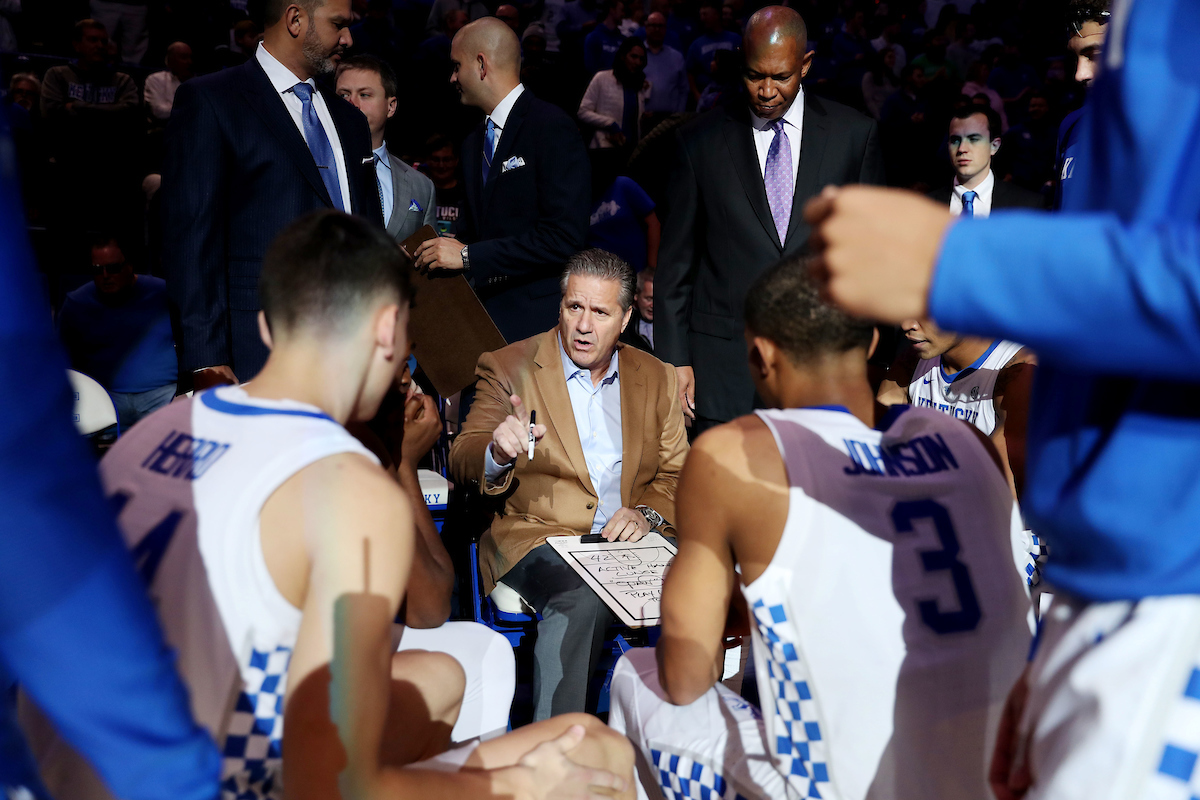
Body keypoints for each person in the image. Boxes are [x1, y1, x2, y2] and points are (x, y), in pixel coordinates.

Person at [36, 211, 636, 800]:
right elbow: (333, 784)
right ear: (390, 335)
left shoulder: (152, 431)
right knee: (590, 748)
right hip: (221, 773)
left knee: (441, 675)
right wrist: (516, 784)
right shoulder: (347, 486)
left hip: (89, 756)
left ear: (268, 327)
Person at [804, 2, 1200, 797]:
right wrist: (1057, 644)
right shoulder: (1094, 106)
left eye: (1101, 52)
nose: (1084, 73)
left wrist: (957, 264)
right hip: (1095, 591)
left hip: (1170, 587)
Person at [609, 257, 1030, 800]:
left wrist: (716, 594)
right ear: (874, 343)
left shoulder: (735, 455)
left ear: (760, 357)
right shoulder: (963, 441)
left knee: (635, 671)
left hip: (846, 789)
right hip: (1001, 775)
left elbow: (687, 677)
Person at [0, 111, 219, 800]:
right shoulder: (72, 308)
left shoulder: (158, 297)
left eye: (120, 264)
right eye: (102, 268)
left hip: (151, 400)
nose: (112, 276)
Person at [449, 249, 687, 722]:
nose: (583, 324)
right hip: (539, 536)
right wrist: (497, 451)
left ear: (624, 320)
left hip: (630, 540)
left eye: (600, 312)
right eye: (574, 307)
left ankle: (681, 743)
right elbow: (462, 456)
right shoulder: (508, 366)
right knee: (580, 595)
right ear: (559, 307)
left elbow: (677, 474)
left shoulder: (655, 376)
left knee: (710, 581)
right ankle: (555, 752)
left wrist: (647, 514)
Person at [656, 5, 884, 431]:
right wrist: (675, 361)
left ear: (806, 65)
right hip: (721, 375)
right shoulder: (698, 143)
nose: (765, 90)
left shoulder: (854, 136)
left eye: (780, 77)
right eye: (753, 75)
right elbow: (675, 265)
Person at [162, 0, 383, 389]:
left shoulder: (350, 121)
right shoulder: (212, 100)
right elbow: (192, 241)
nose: (348, 39)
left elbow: (370, 238)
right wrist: (205, 359)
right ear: (295, 19)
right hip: (256, 358)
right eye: (338, 25)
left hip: (354, 362)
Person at [414, 17, 589, 344]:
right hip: (479, 325)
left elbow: (564, 237)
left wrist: (468, 256)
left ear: (481, 64)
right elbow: (470, 237)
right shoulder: (471, 143)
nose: (452, 77)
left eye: (456, 66)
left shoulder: (550, 127)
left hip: (536, 329)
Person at [878, 319, 1035, 495]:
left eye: (922, 311)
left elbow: (999, 489)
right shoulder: (913, 359)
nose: (907, 325)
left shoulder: (1018, 369)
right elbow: (875, 446)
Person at [56, 236, 178, 431]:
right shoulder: (77, 304)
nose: (105, 275)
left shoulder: (164, 293)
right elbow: (60, 356)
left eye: (113, 268)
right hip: (105, 397)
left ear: (129, 266)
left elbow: (191, 340)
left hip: (162, 395)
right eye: (97, 269)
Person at [336, 55, 437, 243]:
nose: (353, 104)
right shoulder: (319, 169)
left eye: (364, 95)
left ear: (390, 107)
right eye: (344, 95)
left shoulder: (421, 185)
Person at [929, 105, 1043, 216]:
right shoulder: (926, 205)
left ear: (994, 146)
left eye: (973, 139)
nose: (962, 149)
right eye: (955, 140)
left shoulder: (1027, 206)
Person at [1055, 0, 1108, 209]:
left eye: (1094, 55)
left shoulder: (1183, 133)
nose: (1080, 74)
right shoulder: (1071, 126)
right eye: (1075, 59)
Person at [587, 150, 659, 273]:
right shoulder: (580, 199)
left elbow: (654, 223)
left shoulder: (623, 185)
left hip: (639, 271)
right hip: (604, 276)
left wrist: (652, 268)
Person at [578, 37, 650, 149]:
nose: (637, 62)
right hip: (604, 149)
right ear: (623, 56)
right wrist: (610, 123)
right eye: (633, 56)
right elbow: (583, 112)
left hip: (632, 150)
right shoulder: (602, 78)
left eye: (641, 59)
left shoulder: (640, 85)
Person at [685, 0, 740, 103]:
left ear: (716, 15)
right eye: (701, 15)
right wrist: (697, 95)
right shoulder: (696, 44)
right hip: (707, 97)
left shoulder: (735, 39)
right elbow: (690, 72)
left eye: (705, 14)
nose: (702, 18)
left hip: (732, 96)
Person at [642, 11, 687, 117]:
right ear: (646, 27)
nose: (657, 29)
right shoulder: (636, 54)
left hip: (670, 118)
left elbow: (684, 90)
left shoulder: (677, 57)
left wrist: (679, 113)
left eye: (660, 26)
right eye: (653, 25)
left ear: (665, 29)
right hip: (641, 117)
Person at [425, 134, 466, 236]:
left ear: (456, 161)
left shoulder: (467, 194)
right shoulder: (421, 192)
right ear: (428, 161)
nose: (441, 165)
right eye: (436, 159)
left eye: (446, 160)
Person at [144, 42, 193, 122]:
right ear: (171, 59)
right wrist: (190, 111)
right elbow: (159, 111)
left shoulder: (197, 82)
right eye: (184, 57)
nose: (189, 62)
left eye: (190, 57)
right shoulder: (156, 79)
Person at [89, 0, 149, 64]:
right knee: (97, 41)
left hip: (136, 5)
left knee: (133, 51)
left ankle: (130, 72)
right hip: (104, 3)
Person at [584, 0, 627, 75]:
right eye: (621, 10)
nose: (623, 14)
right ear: (612, 10)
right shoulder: (594, 37)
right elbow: (590, 68)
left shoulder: (623, 40)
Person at [618, 267, 653, 353]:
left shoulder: (669, 324)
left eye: (657, 299)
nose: (653, 305)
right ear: (636, 296)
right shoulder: (626, 327)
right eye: (649, 299)